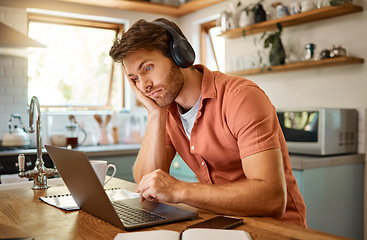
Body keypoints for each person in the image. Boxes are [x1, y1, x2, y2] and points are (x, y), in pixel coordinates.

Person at [109, 18, 307, 227]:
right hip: (221, 223)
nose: (145, 86)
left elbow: (272, 199)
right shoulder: (166, 109)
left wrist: (179, 190)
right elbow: (147, 184)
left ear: (179, 55)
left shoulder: (241, 97)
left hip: (274, 229)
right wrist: (155, 114)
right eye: (135, 79)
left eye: (147, 68)